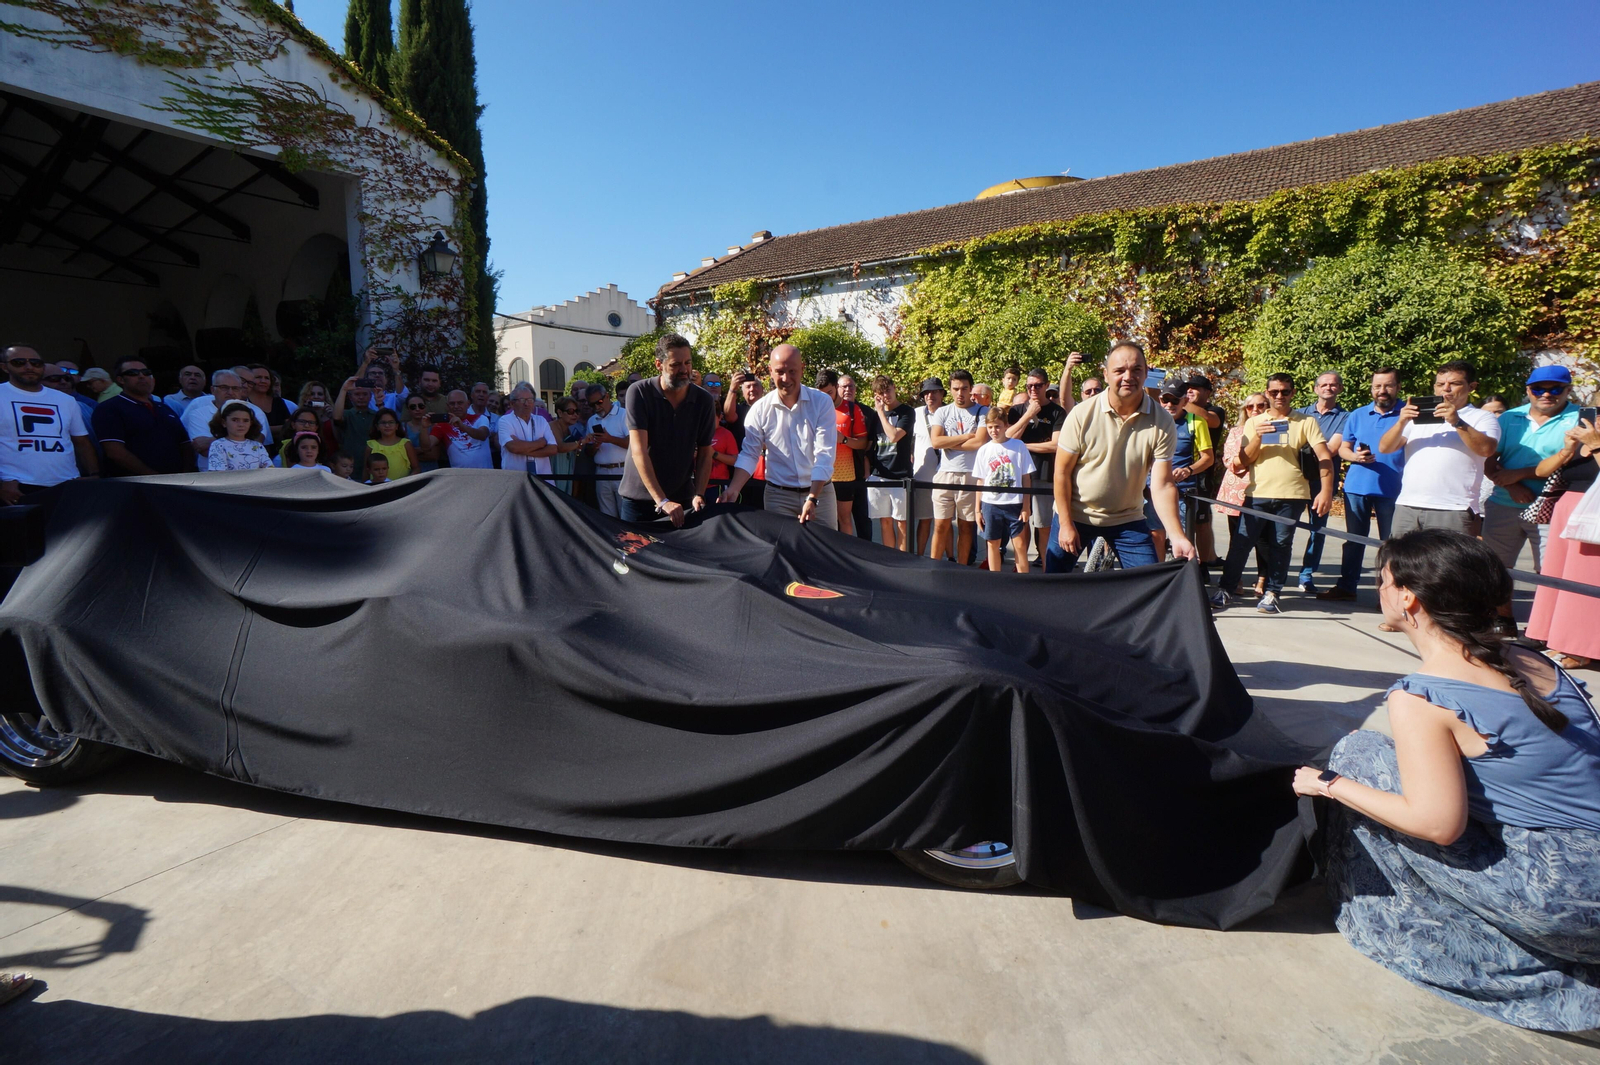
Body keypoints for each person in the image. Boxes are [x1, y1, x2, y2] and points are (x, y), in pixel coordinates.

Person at [1297, 530, 1600, 1033]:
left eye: (1382, 579)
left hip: (1566, 901)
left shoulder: (1422, 696)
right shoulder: (1537, 660)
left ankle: (1425, 928)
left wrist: (1327, 783)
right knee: (1384, 760)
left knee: (1357, 755)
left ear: (1407, 596)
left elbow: (1437, 824)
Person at [1048, 342, 1191, 572]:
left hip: (1128, 519)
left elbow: (1162, 484)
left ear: (1146, 373)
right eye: (1119, 370)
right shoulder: (1081, 414)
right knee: (1053, 589)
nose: (1128, 377)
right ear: (1106, 375)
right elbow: (1062, 472)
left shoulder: (1163, 421)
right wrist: (1065, 523)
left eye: (1136, 370)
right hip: (1075, 514)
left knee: (1147, 588)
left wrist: (1177, 536)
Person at [1214, 373, 1334, 614]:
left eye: (1285, 391)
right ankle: (1226, 589)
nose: (1279, 396)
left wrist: (1326, 491)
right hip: (1257, 492)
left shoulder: (1305, 422)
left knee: (1281, 544)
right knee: (1241, 542)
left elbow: (1324, 456)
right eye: (1274, 392)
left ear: (1293, 393)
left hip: (1292, 494)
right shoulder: (1254, 422)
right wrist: (1258, 435)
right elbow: (1245, 460)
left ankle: (1272, 592)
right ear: (1267, 393)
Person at [1380, 359, 1500, 539]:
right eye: (1440, 384)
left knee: (1447, 566)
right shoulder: (1417, 418)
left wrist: (1457, 421)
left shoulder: (1482, 418)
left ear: (1472, 387)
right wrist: (1401, 421)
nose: (1446, 389)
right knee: (1401, 564)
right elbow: (1385, 448)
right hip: (1408, 505)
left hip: (1453, 508)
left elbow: (1487, 450)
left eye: (1455, 383)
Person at [722, 343, 838, 529]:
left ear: (802, 368)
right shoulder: (759, 410)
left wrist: (813, 498)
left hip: (820, 493)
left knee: (826, 553)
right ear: (770, 371)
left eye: (792, 371)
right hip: (778, 496)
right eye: (780, 371)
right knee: (783, 554)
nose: (786, 378)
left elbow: (824, 454)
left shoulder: (821, 402)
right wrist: (734, 490)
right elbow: (750, 454)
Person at [1481, 365, 1579, 581]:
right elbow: (1488, 459)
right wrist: (1512, 485)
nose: (1546, 394)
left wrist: (1519, 475)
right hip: (1504, 505)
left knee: (1549, 574)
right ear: (1527, 391)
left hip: (1553, 508)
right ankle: (1503, 616)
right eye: (1538, 389)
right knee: (1494, 571)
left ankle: (1545, 616)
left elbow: (1573, 467)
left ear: (1567, 391)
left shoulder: (1579, 419)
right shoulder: (1508, 417)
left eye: (1555, 389)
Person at [1321, 367, 1405, 606]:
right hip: (1357, 487)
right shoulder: (1357, 415)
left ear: (1398, 388)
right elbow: (1344, 448)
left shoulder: (1407, 416)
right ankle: (1347, 586)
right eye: (1377, 386)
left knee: (1391, 545)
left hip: (1394, 489)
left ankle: (1388, 596)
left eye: (1388, 385)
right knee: (1354, 540)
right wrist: (1356, 457)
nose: (1382, 391)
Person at [617, 334, 716, 526]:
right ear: (658, 365)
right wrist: (662, 500)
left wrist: (699, 493)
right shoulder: (639, 392)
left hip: (683, 499)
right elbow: (638, 450)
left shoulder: (704, 400)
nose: (684, 370)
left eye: (688, 362)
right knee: (632, 555)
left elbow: (705, 452)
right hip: (638, 499)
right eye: (675, 364)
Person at [1528, 417, 1600, 669]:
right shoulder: (1580, 442)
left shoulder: (1595, 442)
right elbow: (1541, 471)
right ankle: (1558, 638)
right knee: (1560, 580)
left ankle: (1580, 647)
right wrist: (1567, 449)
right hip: (1566, 513)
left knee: (1586, 584)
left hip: (1593, 515)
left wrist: (1597, 445)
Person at [0, 345, 97, 502]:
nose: (29, 367)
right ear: (4, 367)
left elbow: (82, 442)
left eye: (35, 363)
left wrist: (94, 475)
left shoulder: (66, 400)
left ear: (43, 367)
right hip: (18, 488)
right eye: (19, 362)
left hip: (68, 484)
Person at [1294, 372, 1349, 592]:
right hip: (1296, 478)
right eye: (1324, 384)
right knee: (1284, 527)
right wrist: (1317, 445)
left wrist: (1308, 445)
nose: (1328, 388)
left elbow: (1332, 449)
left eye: (1333, 385)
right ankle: (1273, 574)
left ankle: (1306, 575)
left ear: (1340, 389)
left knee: (1318, 529)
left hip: (1322, 480)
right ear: (1315, 389)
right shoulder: (1300, 414)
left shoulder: (1346, 418)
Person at [1006, 368, 1067, 565]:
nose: (1033, 389)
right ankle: (1021, 567)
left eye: (1038, 385)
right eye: (1029, 386)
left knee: (1043, 524)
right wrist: (1028, 414)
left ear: (1046, 385)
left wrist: (1023, 445)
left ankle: (1046, 569)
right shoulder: (1017, 411)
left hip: (1044, 473)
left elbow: (1055, 445)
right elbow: (1006, 438)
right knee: (1020, 522)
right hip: (1018, 473)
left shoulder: (1057, 412)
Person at [1214, 393, 1272, 597]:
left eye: (1261, 405)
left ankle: (1263, 578)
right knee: (1237, 538)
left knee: (1264, 540)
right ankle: (1235, 578)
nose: (1255, 410)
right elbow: (1230, 461)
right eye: (1250, 407)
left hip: (1265, 490)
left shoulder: (1277, 429)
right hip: (1237, 491)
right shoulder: (1237, 431)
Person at [92, 357, 190, 476]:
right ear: (120, 379)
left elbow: (185, 444)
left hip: (176, 484)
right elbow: (114, 451)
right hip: (133, 487)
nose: (141, 376)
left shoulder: (164, 408)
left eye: (146, 372)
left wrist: (186, 474)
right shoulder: (109, 408)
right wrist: (153, 477)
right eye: (133, 373)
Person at [1150, 386, 1214, 561]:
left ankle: (1185, 575)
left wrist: (1188, 470)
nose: (1170, 404)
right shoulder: (1152, 421)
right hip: (1152, 488)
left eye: (1175, 400)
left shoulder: (1195, 422)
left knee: (1182, 538)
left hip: (1183, 491)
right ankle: (1159, 575)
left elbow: (1208, 458)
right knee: (1156, 535)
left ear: (1184, 401)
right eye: (1165, 400)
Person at [929, 370, 986, 564]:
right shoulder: (942, 412)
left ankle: (962, 570)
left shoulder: (983, 411)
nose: (959, 393)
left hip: (970, 475)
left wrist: (948, 441)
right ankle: (933, 567)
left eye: (963, 388)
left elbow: (978, 442)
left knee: (966, 527)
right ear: (950, 390)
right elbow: (935, 441)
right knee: (940, 525)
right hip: (944, 474)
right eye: (955, 389)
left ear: (971, 389)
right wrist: (964, 437)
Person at [975, 406, 1035, 573]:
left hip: (1014, 503)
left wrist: (1026, 506)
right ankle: (996, 580)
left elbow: (1026, 477)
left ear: (1006, 425)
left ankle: (1023, 579)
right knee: (992, 542)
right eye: (990, 427)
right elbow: (980, 480)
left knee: (1019, 543)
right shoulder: (984, 450)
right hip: (990, 503)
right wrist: (977, 510)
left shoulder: (1018, 446)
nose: (994, 430)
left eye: (997, 426)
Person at [182, 370, 271, 471]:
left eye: (235, 388)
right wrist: (243, 441)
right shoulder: (198, 413)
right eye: (224, 387)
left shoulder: (255, 411)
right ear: (212, 390)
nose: (230, 392)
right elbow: (204, 450)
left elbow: (256, 441)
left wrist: (221, 440)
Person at [866, 375, 916, 551]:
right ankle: (891, 558)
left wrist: (880, 412)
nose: (886, 395)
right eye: (881, 393)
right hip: (879, 476)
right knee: (885, 521)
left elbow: (894, 436)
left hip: (900, 475)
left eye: (888, 390)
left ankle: (903, 560)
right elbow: (870, 445)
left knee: (902, 522)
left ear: (895, 388)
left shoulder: (907, 412)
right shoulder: (874, 417)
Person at [816, 369, 869, 535]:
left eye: (829, 393)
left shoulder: (852, 410)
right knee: (821, 519)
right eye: (822, 394)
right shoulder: (815, 407)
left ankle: (845, 556)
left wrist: (844, 439)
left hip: (844, 474)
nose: (825, 397)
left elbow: (863, 443)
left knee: (844, 518)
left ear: (836, 387)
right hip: (820, 471)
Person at [910, 378, 944, 554]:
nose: (930, 395)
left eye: (934, 391)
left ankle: (950, 557)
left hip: (945, 474)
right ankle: (920, 555)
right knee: (924, 519)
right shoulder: (915, 413)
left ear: (942, 394)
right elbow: (907, 439)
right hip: (921, 474)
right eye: (927, 392)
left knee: (943, 521)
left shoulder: (948, 412)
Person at [583, 383, 628, 515]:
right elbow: (588, 452)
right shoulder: (592, 421)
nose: (597, 407)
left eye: (599, 402)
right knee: (606, 516)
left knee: (624, 514)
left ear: (607, 396)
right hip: (601, 471)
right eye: (592, 405)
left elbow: (632, 444)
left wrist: (610, 439)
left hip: (622, 471)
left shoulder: (623, 415)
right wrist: (595, 446)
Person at [497, 385, 559, 480]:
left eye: (530, 400)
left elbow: (553, 449)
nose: (527, 404)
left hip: (543, 478)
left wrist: (522, 449)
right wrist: (540, 443)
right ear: (512, 404)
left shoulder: (541, 420)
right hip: (515, 479)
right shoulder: (505, 421)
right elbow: (513, 447)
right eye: (522, 400)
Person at [431, 390, 495, 470]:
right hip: (459, 477)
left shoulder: (480, 418)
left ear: (468, 404)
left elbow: (483, 435)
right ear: (447, 406)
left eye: (460, 403)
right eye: (452, 403)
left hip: (485, 475)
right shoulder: (441, 425)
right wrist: (424, 428)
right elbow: (427, 446)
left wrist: (462, 426)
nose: (456, 406)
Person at [206, 401, 272, 471]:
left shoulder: (258, 446)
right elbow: (219, 474)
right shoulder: (218, 445)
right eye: (235, 420)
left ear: (251, 423)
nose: (241, 424)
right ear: (224, 422)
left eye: (245, 420)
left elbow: (269, 470)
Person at [547, 398, 591, 492]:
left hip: (566, 469)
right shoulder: (552, 426)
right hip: (554, 469)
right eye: (570, 411)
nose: (575, 415)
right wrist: (582, 442)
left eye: (577, 411)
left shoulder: (569, 429)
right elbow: (560, 447)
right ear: (560, 413)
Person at [331, 376, 378, 465]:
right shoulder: (347, 414)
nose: (361, 397)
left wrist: (379, 402)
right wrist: (344, 390)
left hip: (373, 463)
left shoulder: (376, 415)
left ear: (370, 396)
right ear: (350, 397)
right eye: (357, 394)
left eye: (365, 394)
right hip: (350, 463)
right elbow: (336, 417)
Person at [242, 363, 294, 440]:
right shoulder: (243, 402)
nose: (263, 381)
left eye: (267, 378)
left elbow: (290, 426)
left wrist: (265, 429)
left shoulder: (278, 401)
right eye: (258, 377)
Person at [366, 408, 418, 480]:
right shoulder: (371, 445)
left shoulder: (405, 444)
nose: (387, 425)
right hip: (377, 488)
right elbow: (366, 471)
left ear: (397, 426)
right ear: (377, 426)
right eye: (383, 423)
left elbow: (416, 469)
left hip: (401, 488)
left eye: (391, 422)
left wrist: (406, 482)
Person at [400, 395, 442, 473]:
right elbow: (400, 455)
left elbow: (434, 455)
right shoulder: (402, 428)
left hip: (431, 472)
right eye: (413, 407)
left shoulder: (434, 426)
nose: (417, 409)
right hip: (409, 473)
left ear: (425, 407)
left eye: (421, 406)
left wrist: (411, 452)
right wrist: (424, 450)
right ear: (408, 409)